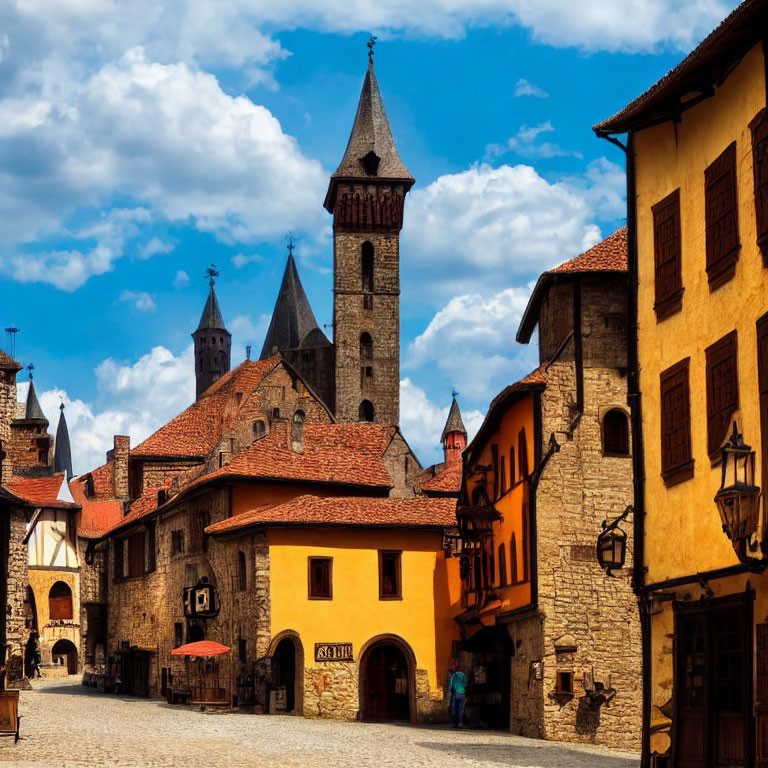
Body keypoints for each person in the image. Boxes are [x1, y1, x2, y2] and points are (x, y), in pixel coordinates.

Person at [448, 658, 467, 728]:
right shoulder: (463, 675)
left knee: (454, 708)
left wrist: (452, 690)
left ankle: (455, 723)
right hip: (462, 694)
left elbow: (451, 686)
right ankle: (460, 721)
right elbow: (465, 685)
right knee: (460, 708)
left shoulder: (454, 676)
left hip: (455, 694)